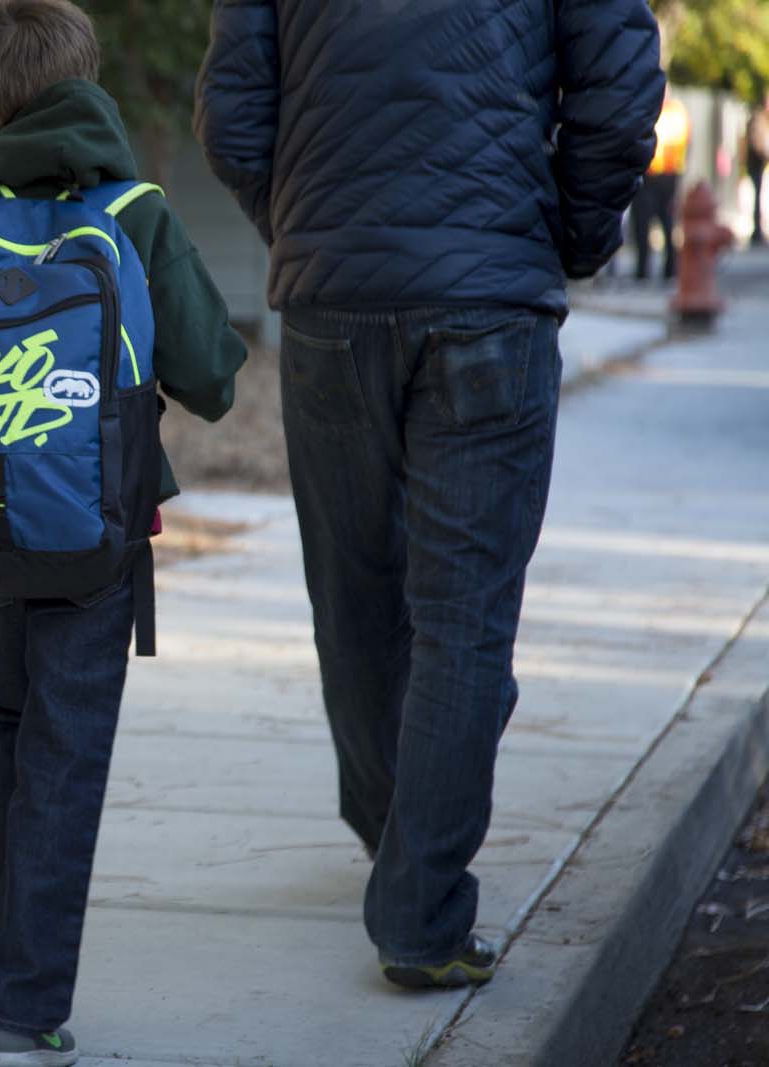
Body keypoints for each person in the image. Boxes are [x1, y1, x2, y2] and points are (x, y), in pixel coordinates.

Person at [196, 0, 663, 989]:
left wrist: (307, 224)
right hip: (488, 297)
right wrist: (561, 237)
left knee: (353, 589)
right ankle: (417, 907)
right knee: (464, 617)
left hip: (332, 298)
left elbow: (233, 115)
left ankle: (396, 833)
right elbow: (617, 101)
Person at [0, 1, 246, 1061]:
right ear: (89, 83)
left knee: (3, 706)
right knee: (65, 744)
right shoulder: (137, 210)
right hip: (94, 529)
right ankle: (18, 1004)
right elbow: (212, 376)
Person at [631, 89, 691, 281]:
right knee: (644, 223)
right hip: (651, 173)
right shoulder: (663, 111)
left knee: (665, 222)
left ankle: (667, 268)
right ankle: (645, 268)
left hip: (665, 174)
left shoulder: (673, 112)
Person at [747, 95, 768, 247]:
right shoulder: (758, 118)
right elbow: (757, 141)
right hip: (756, 164)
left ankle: (758, 230)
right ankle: (757, 231)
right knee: (757, 198)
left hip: (760, 163)